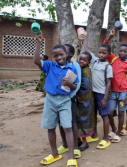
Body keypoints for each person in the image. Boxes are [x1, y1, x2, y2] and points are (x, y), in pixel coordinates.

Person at [33, 32, 79, 167]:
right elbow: (36, 61)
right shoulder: (49, 66)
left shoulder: (72, 69)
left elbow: (74, 86)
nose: (59, 57)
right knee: (50, 127)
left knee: (68, 127)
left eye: (61, 54)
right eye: (56, 56)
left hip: (65, 101)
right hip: (50, 100)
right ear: (53, 57)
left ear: (67, 54)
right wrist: (39, 42)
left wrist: (69, 84)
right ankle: (54, 154)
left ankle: (71, 156)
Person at [82, 32, 112, 149]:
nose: (100, 54)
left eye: (104, 53)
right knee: (93, 114)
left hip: (101, 94)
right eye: (99, 52)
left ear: (108, 54)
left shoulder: (107, 67)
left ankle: (105, 139)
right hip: (92, 93)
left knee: (104, 116)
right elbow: (87, 50)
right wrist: (85, 36)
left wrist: (105, 98)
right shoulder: (95, 61)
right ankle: (94, 134)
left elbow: (109, 82)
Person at [104, 29, 127, 143]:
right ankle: (114, 128)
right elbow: (105, 47)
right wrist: (110, 37)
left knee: (121, 112)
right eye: (120, 51)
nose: (122, 53)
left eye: (124, 51)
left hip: (123, 93)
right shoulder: (114, 59)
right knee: (110, 113)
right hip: (113, 93)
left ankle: (118, 133)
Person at [57, 44, 82, 159]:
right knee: (61, 123)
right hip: (58, 99)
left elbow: (77, 84)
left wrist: (69, 96)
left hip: (70, 98)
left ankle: (75, 146)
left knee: (72, 123)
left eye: (64, 51)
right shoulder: (57, 65)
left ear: (70, 54)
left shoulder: (75, 65)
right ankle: (65, 144)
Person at [76, 51, 95, 152]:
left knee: (84, 120)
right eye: (80, 59)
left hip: (85, 101)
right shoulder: (80, 69)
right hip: (80, 100)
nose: (81, 61)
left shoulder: (86, 71)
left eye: (84, 60)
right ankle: (78, 140)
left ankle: (85, 142)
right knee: (77, 119)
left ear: (88, 62)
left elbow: (85, 86)